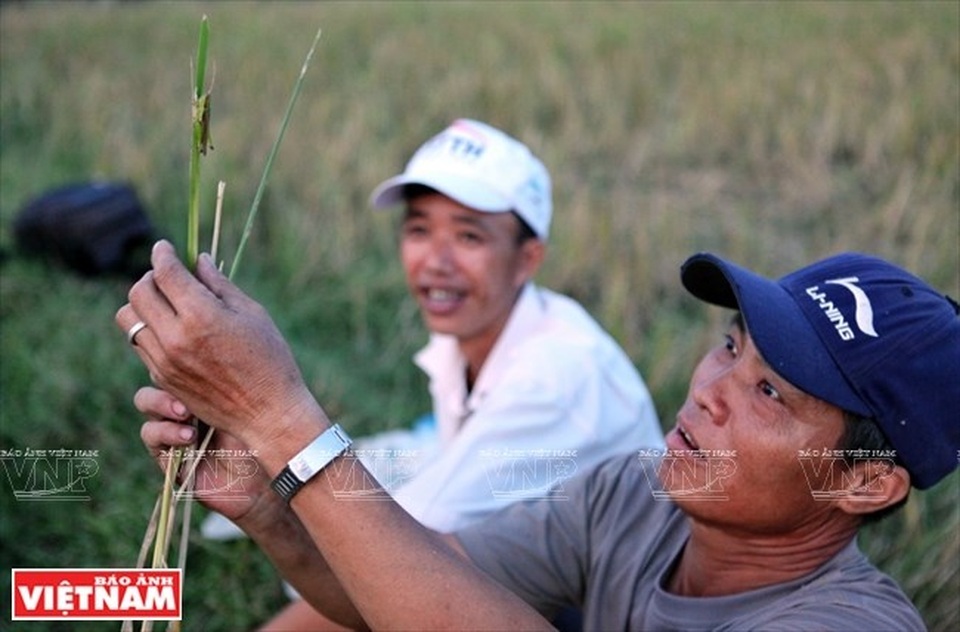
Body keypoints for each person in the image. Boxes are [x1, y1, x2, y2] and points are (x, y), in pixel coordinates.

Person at [118, 242, 959, 629]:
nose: (707, 394)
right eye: (731, 347)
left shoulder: (847, 626)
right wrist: (269, 508)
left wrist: (282, 419)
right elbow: (409, 596)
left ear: (864, 483)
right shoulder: (632, 495)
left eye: (771, 391)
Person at [186, 118, 663, 630]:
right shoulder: (475, 330)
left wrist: (270, 425)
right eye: (419, 229)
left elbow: (391, 558)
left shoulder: (555, 381)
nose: (436, 261)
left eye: (468, 235)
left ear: (527, 259)